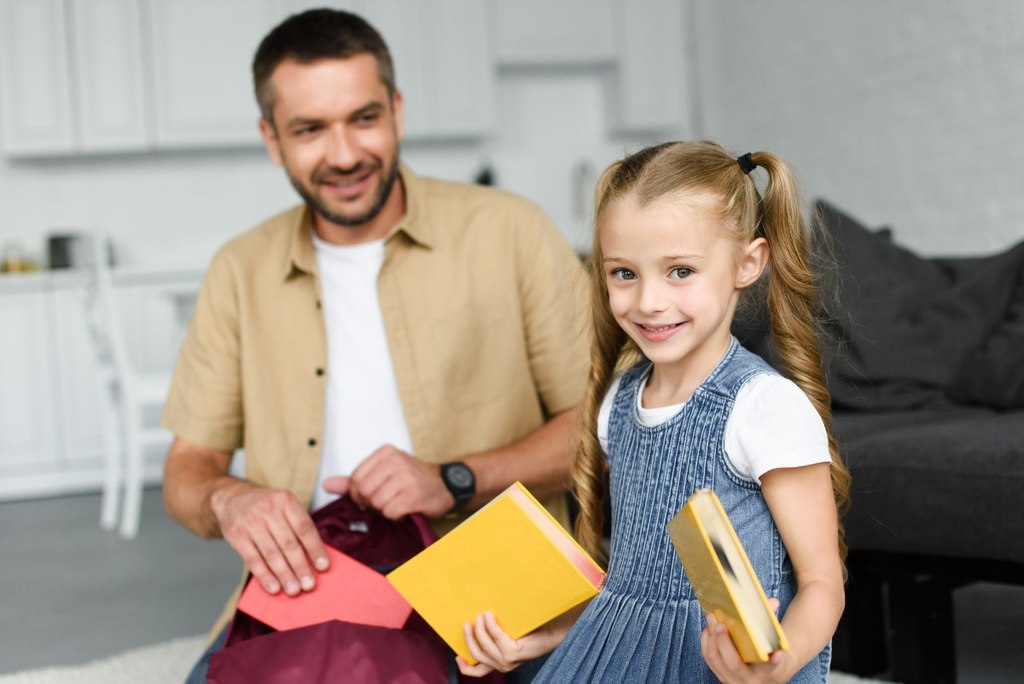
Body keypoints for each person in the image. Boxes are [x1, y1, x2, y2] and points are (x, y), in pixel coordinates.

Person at [160, 8, 588, 681]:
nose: (345, 154)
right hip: (314, 584)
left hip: (494, 586)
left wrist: (453, 478)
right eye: (309, 130)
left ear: (397, 110)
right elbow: (187, 471)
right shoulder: (239, 270)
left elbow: (603, 431)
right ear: (271, 139)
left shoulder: (511, 232)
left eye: (364, 118)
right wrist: (228, 498)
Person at [457, 140, 851, 683]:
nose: (648, 301)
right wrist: (540, 638)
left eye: (680, 272)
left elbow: (822, 585)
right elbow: (631, 594)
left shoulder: (764, 407)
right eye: (624, 273)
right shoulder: (619, 402)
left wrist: (778, 664)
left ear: (748, 263)